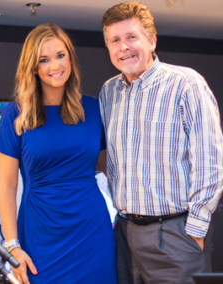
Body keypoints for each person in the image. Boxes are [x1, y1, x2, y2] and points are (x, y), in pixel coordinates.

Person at [99, 2, 223, 284]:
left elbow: (210, 162)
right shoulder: (109, 92)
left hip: (175, 233)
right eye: (114, 40)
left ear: (151, 41)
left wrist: (196, 230)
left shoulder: (185, 84)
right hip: (125, 233)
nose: (123, 48)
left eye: (132, 37)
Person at [0, 23, 117, 284]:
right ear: (33, 67)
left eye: (61, 55)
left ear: (70, 57)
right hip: (40, 236)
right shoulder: (15, 115)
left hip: (92, 233)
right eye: (44, 60)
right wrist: (12, 245)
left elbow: (112, 169)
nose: (54, 66)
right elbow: (6, 185)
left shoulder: (93, 109)